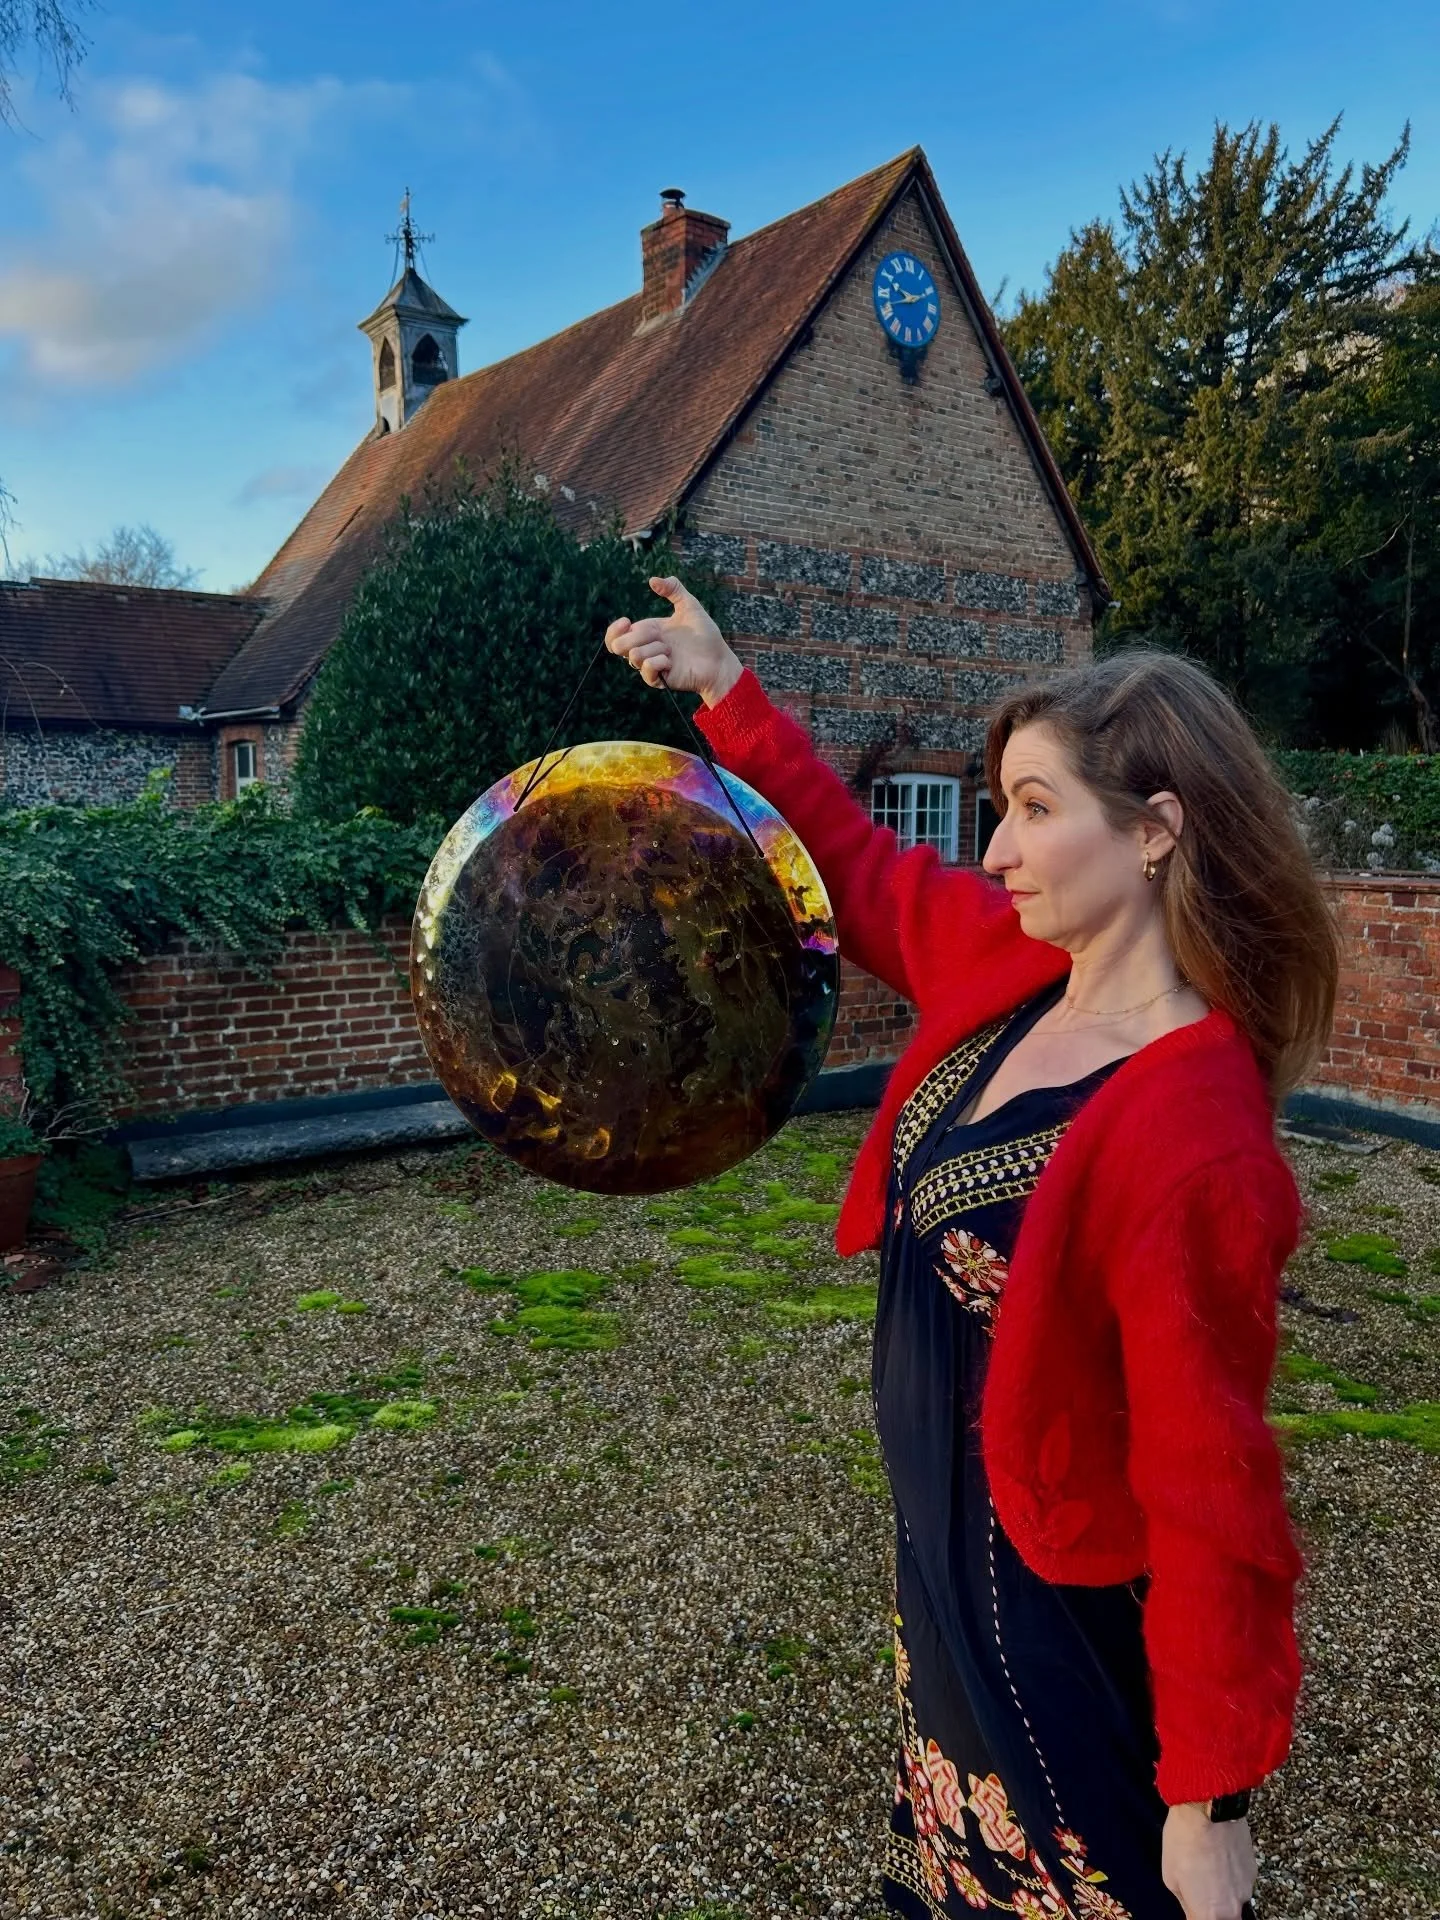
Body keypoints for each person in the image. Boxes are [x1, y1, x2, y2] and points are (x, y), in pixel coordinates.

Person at [605, 578, 1341, 1920]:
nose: (998, 852)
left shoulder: (1196, 1132)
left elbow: (1211, 1485)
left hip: (1050, 1613)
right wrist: (724, 688)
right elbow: (856, 869)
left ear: (1157, 830)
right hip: (941, 1564)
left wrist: (1210, 1799)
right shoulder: (1015, 969)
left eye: (1036, 810)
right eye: (1000, 809)